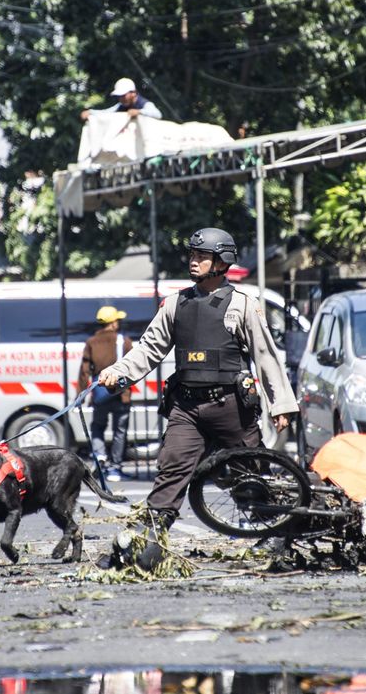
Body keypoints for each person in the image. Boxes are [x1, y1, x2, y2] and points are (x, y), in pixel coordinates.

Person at [98, 228, 297, 533]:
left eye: (202, 256)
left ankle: (274, 532)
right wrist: (119, 372)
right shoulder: (175, 304)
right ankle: (151, 536)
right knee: (171, 466)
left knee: (252, 477)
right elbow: (149, 348)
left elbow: (265, 355)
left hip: (231, 406)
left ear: (221, 263)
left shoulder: (242, 304)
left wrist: (280, 404)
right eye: (192, 255)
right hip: (186, 407)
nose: (194, 261)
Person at [77, 305, 134, 482]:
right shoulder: (124, 341)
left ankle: (100, 457)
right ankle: (116, 469)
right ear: (113, 323)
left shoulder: (91, 342)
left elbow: (84, 370)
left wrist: (81, 394)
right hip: (121, 393)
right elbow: (133, 367)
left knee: (97, 427)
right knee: (120, 431)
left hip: (100, 393)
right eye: (117, 320)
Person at [80, 77, 162, 122]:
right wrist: (90, 112)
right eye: (119, 96)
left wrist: (139, 112)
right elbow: (107, 112)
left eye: (123, 95)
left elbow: (157, 114)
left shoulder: (144, 104)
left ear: (133, 93)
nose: (121, 98)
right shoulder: (121, 106)